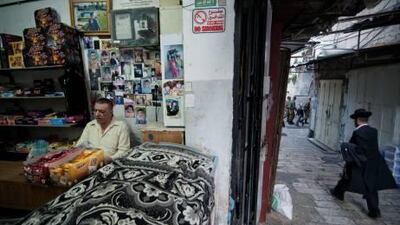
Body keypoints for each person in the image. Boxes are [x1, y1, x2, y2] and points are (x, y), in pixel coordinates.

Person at [330, 109, 397, 218]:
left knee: (347, 177)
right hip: (374, 162)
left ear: (357, 120)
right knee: (371, 186)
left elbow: (354, 148)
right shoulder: (374, 131)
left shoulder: (357, 132)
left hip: (360, 162)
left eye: (355, 120)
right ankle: (374, 210)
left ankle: (338, 192)